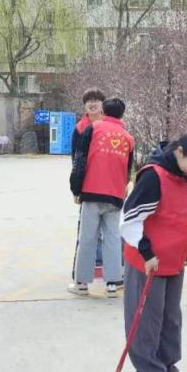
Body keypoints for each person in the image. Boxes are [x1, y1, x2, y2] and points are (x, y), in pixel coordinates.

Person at [119, 117, 187, 372]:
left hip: (174, 258)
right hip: (148, 261)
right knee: (147, 318)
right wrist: (146, 252)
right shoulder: (154, 176)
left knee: (170, 316)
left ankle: (166, 366)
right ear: (179, 151)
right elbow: (129, 219)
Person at [70, 98, 134, 297]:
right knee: (113, 239)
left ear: (104, 111)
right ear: (122, 114)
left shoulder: (93, 128)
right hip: (115, 195)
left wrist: (76, 189)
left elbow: (80, 160)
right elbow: (128, 168)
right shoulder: (128, 138)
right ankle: (113, 284)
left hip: (92, 191)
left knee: (87, 238)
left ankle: (82, 284)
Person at [69, 89, 106, 287]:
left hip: (109, 184)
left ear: (102, 104)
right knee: (85, 229)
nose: (92, 104)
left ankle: (103, 265)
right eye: (89, 101)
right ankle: (85, 268)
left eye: (96, 100)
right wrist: (77, 188)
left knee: (109, 230)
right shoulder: (79, 128)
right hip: (88, 185)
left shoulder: (111, 125)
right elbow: (76, 160)